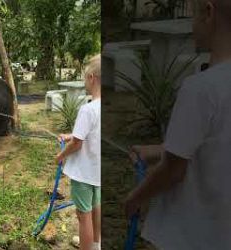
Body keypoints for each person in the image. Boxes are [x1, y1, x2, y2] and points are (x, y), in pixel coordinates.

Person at [125, 0, 231, 248]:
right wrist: (162, 148)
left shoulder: (200, 89)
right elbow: (218, 139)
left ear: (208, 12)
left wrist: (136, 198)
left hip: (196, 234)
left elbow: (173, 171)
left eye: (192, 16)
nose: (192, 25)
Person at [55, 54, 101, 250]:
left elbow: (78, 144)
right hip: (98, 172)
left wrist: (61, 156)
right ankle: (96, 244)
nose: (85, 82)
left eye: (85, 77)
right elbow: (89, 134)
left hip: (83, 174)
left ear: (91, 77)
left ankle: (87, 246)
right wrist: (71, 135)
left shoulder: (88, 109)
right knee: (96, 208)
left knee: (83, 215)